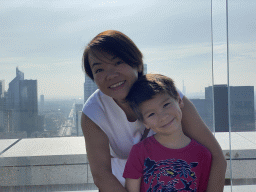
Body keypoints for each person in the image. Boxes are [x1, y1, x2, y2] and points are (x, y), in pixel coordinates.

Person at [81, 30, 226, 192]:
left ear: (137, 64)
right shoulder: (94, 113)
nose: (110, 75)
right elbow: (101, 174)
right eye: (99, 70)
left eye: (118, 62)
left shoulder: (165, 95)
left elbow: (217, 157)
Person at [123, 74, 212, 192]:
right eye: (151, 114)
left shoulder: (203, 155)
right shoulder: (139, 152)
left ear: (179, 101)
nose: (163, 117)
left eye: (166, 105)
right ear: (145, 123)